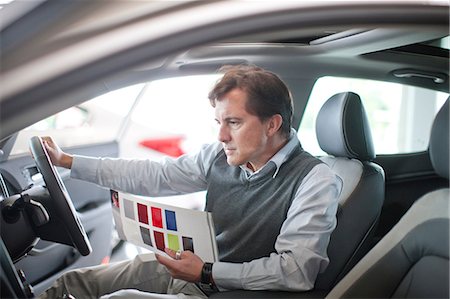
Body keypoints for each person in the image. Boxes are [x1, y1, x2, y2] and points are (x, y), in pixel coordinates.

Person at [39, 65, 341, 299]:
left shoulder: (315, 179)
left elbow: (297, 271)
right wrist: (68, 162)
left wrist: (208, 272)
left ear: (272, 124)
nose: (221, 135)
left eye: (233, 122)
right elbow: (156, 176)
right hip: (193, 272)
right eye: (219, 123)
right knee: (73, 284)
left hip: (227, 291)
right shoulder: (219, 155)